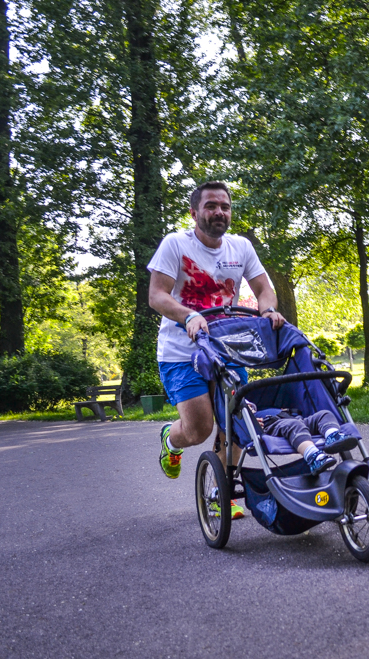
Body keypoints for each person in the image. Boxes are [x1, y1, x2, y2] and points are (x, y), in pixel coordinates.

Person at [147, 181, 285, 518]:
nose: (218, 212)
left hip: (226, 349)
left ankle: (220, 494)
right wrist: (189, 315)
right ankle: (171, 439)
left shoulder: (241, 248)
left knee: (238, 424)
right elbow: (157, 296)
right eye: (210, 206)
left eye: (224, 206)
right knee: (200, 429)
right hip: (181, 352)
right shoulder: (175, 245)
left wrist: (267, 310)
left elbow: (264, 288)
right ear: (195, 213)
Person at [251, 405, 358, 475]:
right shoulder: (241, 405)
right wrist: (253, 422)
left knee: (325, 414)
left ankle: (333, 437)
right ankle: (314, 457)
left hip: (295, 419)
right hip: (271, 426)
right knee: (294, 425)